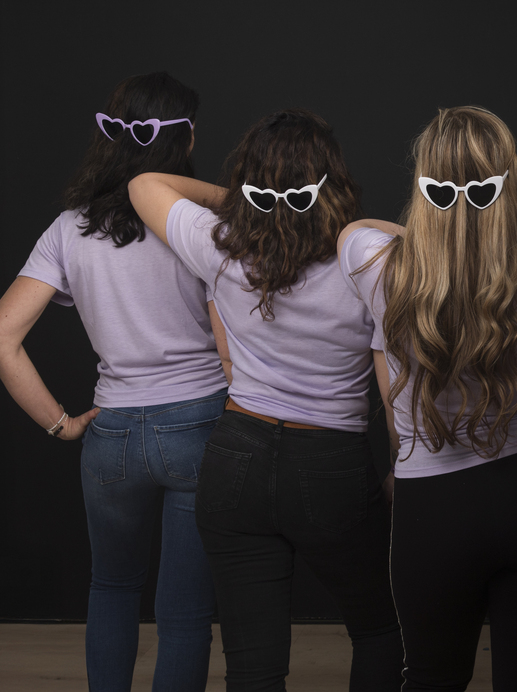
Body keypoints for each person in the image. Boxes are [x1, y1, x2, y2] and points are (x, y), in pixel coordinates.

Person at [128, 109, 402, 691]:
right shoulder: (367, 261)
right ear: (334, 184)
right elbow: (425, 245)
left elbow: (144, 184)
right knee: (382, 629)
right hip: (330, 464)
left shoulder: (220, 246)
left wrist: (248, 202)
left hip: (236, 459)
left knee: (253, 665)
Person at [0, 72, 225, 692]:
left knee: (112, 588)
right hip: (200, 426)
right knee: (185, 611)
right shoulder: (202, 223)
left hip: (112, 435)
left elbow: (3, 336)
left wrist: (60, 423)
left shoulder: (67, 229)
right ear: (185, 138)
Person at [337, 106, 517, 691]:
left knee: (431, 677)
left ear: (422, 189)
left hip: (432, 504)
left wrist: (438, 244)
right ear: (512, 188)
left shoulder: (375, 264)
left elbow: (353, 229)